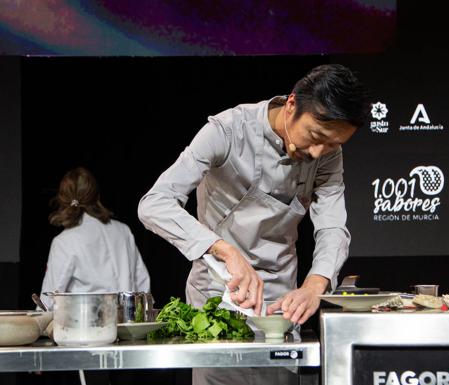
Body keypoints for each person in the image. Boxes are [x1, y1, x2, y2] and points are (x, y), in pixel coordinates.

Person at [138, 64, 368, 385]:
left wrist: (315, 286)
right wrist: (224, 250)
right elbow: (155, 203)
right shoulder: (228, 131)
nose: (318, 151)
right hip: (217, 295)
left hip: (279, 305)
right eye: (316, 137)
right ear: (291, 106)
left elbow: (332, 226)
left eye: (332, 144)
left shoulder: (326, 155)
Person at [40, 167, 150, 310]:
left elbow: (49, 300)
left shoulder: (64, 241)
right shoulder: (123, 231)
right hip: (127, 325)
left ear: (63, 198)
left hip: (86, 327)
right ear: (96, 196)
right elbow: (142, 283)